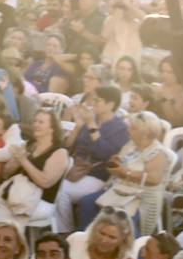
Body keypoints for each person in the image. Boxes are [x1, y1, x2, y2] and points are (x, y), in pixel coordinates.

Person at [0, 108, 68, 242]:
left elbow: (45, 182)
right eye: (35, 121)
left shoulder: (59, 152)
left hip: (39, 200)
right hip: (14, 191)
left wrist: (24, 161)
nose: (36, 124)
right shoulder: (29, 145)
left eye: (41, 122)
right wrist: (14, 162)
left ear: (52, 128)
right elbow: (6, 174)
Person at [55, 85, 130, 232]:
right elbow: (69, 146)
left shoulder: (120, 128)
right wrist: (78, 126)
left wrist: (91, 125)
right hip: (74, 168)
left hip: (97, 175)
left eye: (98, 100)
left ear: (111, 105)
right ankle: (59, 228)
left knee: (59, 192)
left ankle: (66, 232)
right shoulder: (90, 119)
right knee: (49, 185)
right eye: (93, 100)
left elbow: (107, 155)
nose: (94, 103)